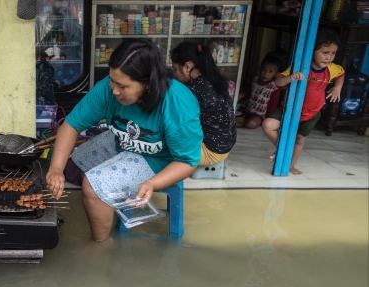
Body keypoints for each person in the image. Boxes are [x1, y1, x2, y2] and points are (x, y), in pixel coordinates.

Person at [46, 39, 203, 242]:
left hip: (161, 159)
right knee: (78, 158)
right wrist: (56, 168)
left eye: (122, 85)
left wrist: (153, 183)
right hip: (123, 141)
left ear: (148, 83)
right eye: (112, 80)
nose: (114, 90)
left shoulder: (177, 105)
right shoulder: (109, 89)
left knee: (92, 187)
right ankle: (106, 203)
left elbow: (188, 161)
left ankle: (101, 244)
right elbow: (72, 124)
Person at [262, 28, 345, 174]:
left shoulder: (331, 69)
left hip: (312, 113)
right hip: (290, 108)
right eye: (325, 53)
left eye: (333, 53)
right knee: (268, 125)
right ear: (312, 51)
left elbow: (341, 73)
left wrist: (337, 87)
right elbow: (279, 82)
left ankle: (290, 165)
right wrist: (291, 77)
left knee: (300, 139)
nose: (329, 57)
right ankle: (284, 149)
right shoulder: (300, 67)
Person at [170, 41, 236, 166]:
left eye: (176, 70)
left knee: (158, 143)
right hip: (224, 146)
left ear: (187, 67)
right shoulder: (214, 80)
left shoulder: (194, 89)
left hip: (208, 151)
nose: (175, 75)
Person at [239, 56, 282, 129]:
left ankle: (245, 121)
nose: (265, 74)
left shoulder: (274, 86)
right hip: (248, 109)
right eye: (263, 70)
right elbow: (251, 92)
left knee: (251, 124)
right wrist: (242, 95)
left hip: (260, 115)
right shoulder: (255, 80)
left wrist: (268, 119)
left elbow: (273, 104)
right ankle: (243, 121)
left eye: (270, 72)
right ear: (260, 69)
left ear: (276, 74)